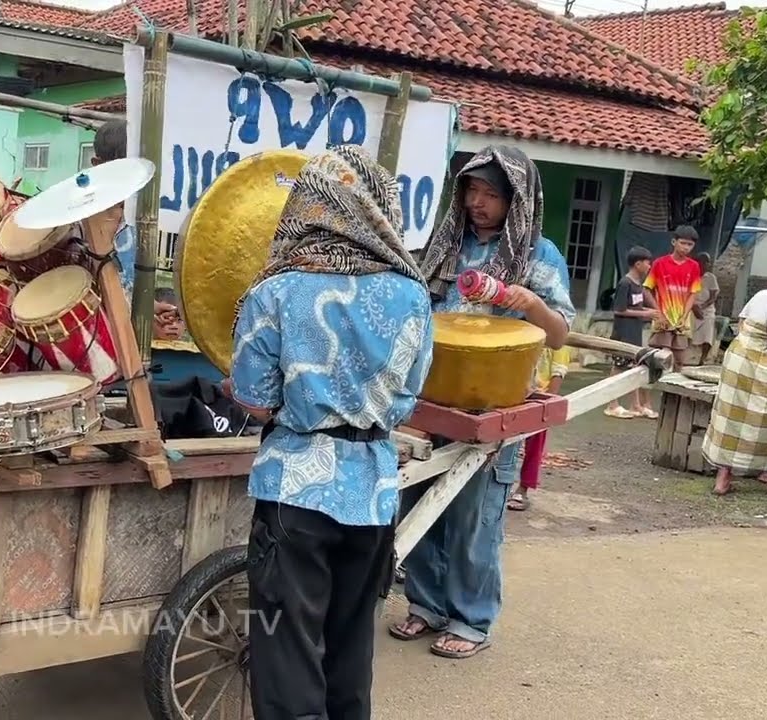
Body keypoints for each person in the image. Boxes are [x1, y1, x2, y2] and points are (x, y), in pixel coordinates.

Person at [227, 146, 433, 719]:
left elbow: (254, 399)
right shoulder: (412, 295)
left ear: (307, 205)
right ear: (376, 209)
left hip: (295, 491)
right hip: (373, 491)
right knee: (350, 650)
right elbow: (406, 397)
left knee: (287, 655)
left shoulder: (275, 291)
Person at [392, 146, 575, 659]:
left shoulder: (539, 255)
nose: (478, 202)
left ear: (516, 200)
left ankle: (471, 620)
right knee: (419, 501)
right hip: (434, 393)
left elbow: (559, 334)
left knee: (474, 515)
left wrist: (530, 302)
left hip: (494, 402)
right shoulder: (447, 244)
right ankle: (426, 605)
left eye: (491, 194)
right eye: (472, 190)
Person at [703, 238, 767, 496]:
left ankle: (723, 478)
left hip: (742, 362)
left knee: (732, 419)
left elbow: (742, 327)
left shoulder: (761, 297)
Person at [89, 120, 182, 341]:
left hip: (129, 345)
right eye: (121, 172)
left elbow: (126, 285)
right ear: (97, 165)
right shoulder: (81, 224)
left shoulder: (136, 220)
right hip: (97, 341)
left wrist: (150, 307)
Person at [506, 345, 571, 512]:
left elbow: (558, 373)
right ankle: (503, 484)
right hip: (514, 393)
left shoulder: (559, 345)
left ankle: (523, 488)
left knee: (534, 446)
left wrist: (547, 402)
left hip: (539, 397)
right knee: (505, 441)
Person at [605, 246, 659, 419]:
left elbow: (635, 307)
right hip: (623, 333)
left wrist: (649, 312)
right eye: (647, 263)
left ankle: (635, 404)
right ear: (637, 264)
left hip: (635, 333)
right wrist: (646, 314)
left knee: (634, 369)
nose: (649, 266)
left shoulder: (638, 285)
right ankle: (612, 404)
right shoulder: (625, 283)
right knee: (619, 368)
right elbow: (619, 309)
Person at [643, 225, 702, 370]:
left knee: (679, 360)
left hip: (681, 322)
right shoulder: (659, 263)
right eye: (683, 243)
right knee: (658, 359)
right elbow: (646, 289)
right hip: (662, 321)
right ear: (674, 242)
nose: (686, 247)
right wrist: (658, 313)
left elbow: (693, 293)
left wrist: (684, 316)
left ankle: (673, 386)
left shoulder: (694, 266)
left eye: (690, 244)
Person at [691, 251, 720, 365]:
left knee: (708, 331)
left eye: (708, 262)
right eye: (704, 262)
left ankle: (702, 359)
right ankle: (688, 357)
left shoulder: (711, 277)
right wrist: (694, 307)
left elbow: (713, 297)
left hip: (707, 309)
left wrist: (702, 307)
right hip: (690, 307)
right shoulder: (690, 276)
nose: (707, 265)